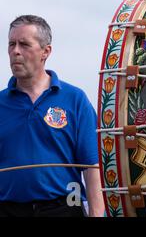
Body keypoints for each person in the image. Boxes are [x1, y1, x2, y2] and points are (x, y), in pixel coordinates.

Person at [0, 15, 104, 217]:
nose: (15, 51)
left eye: (24, 44)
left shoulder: (75, 99)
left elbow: (91, 166)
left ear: (45, 51)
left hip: (63, 208)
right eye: (11, 44)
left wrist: (96, 214)